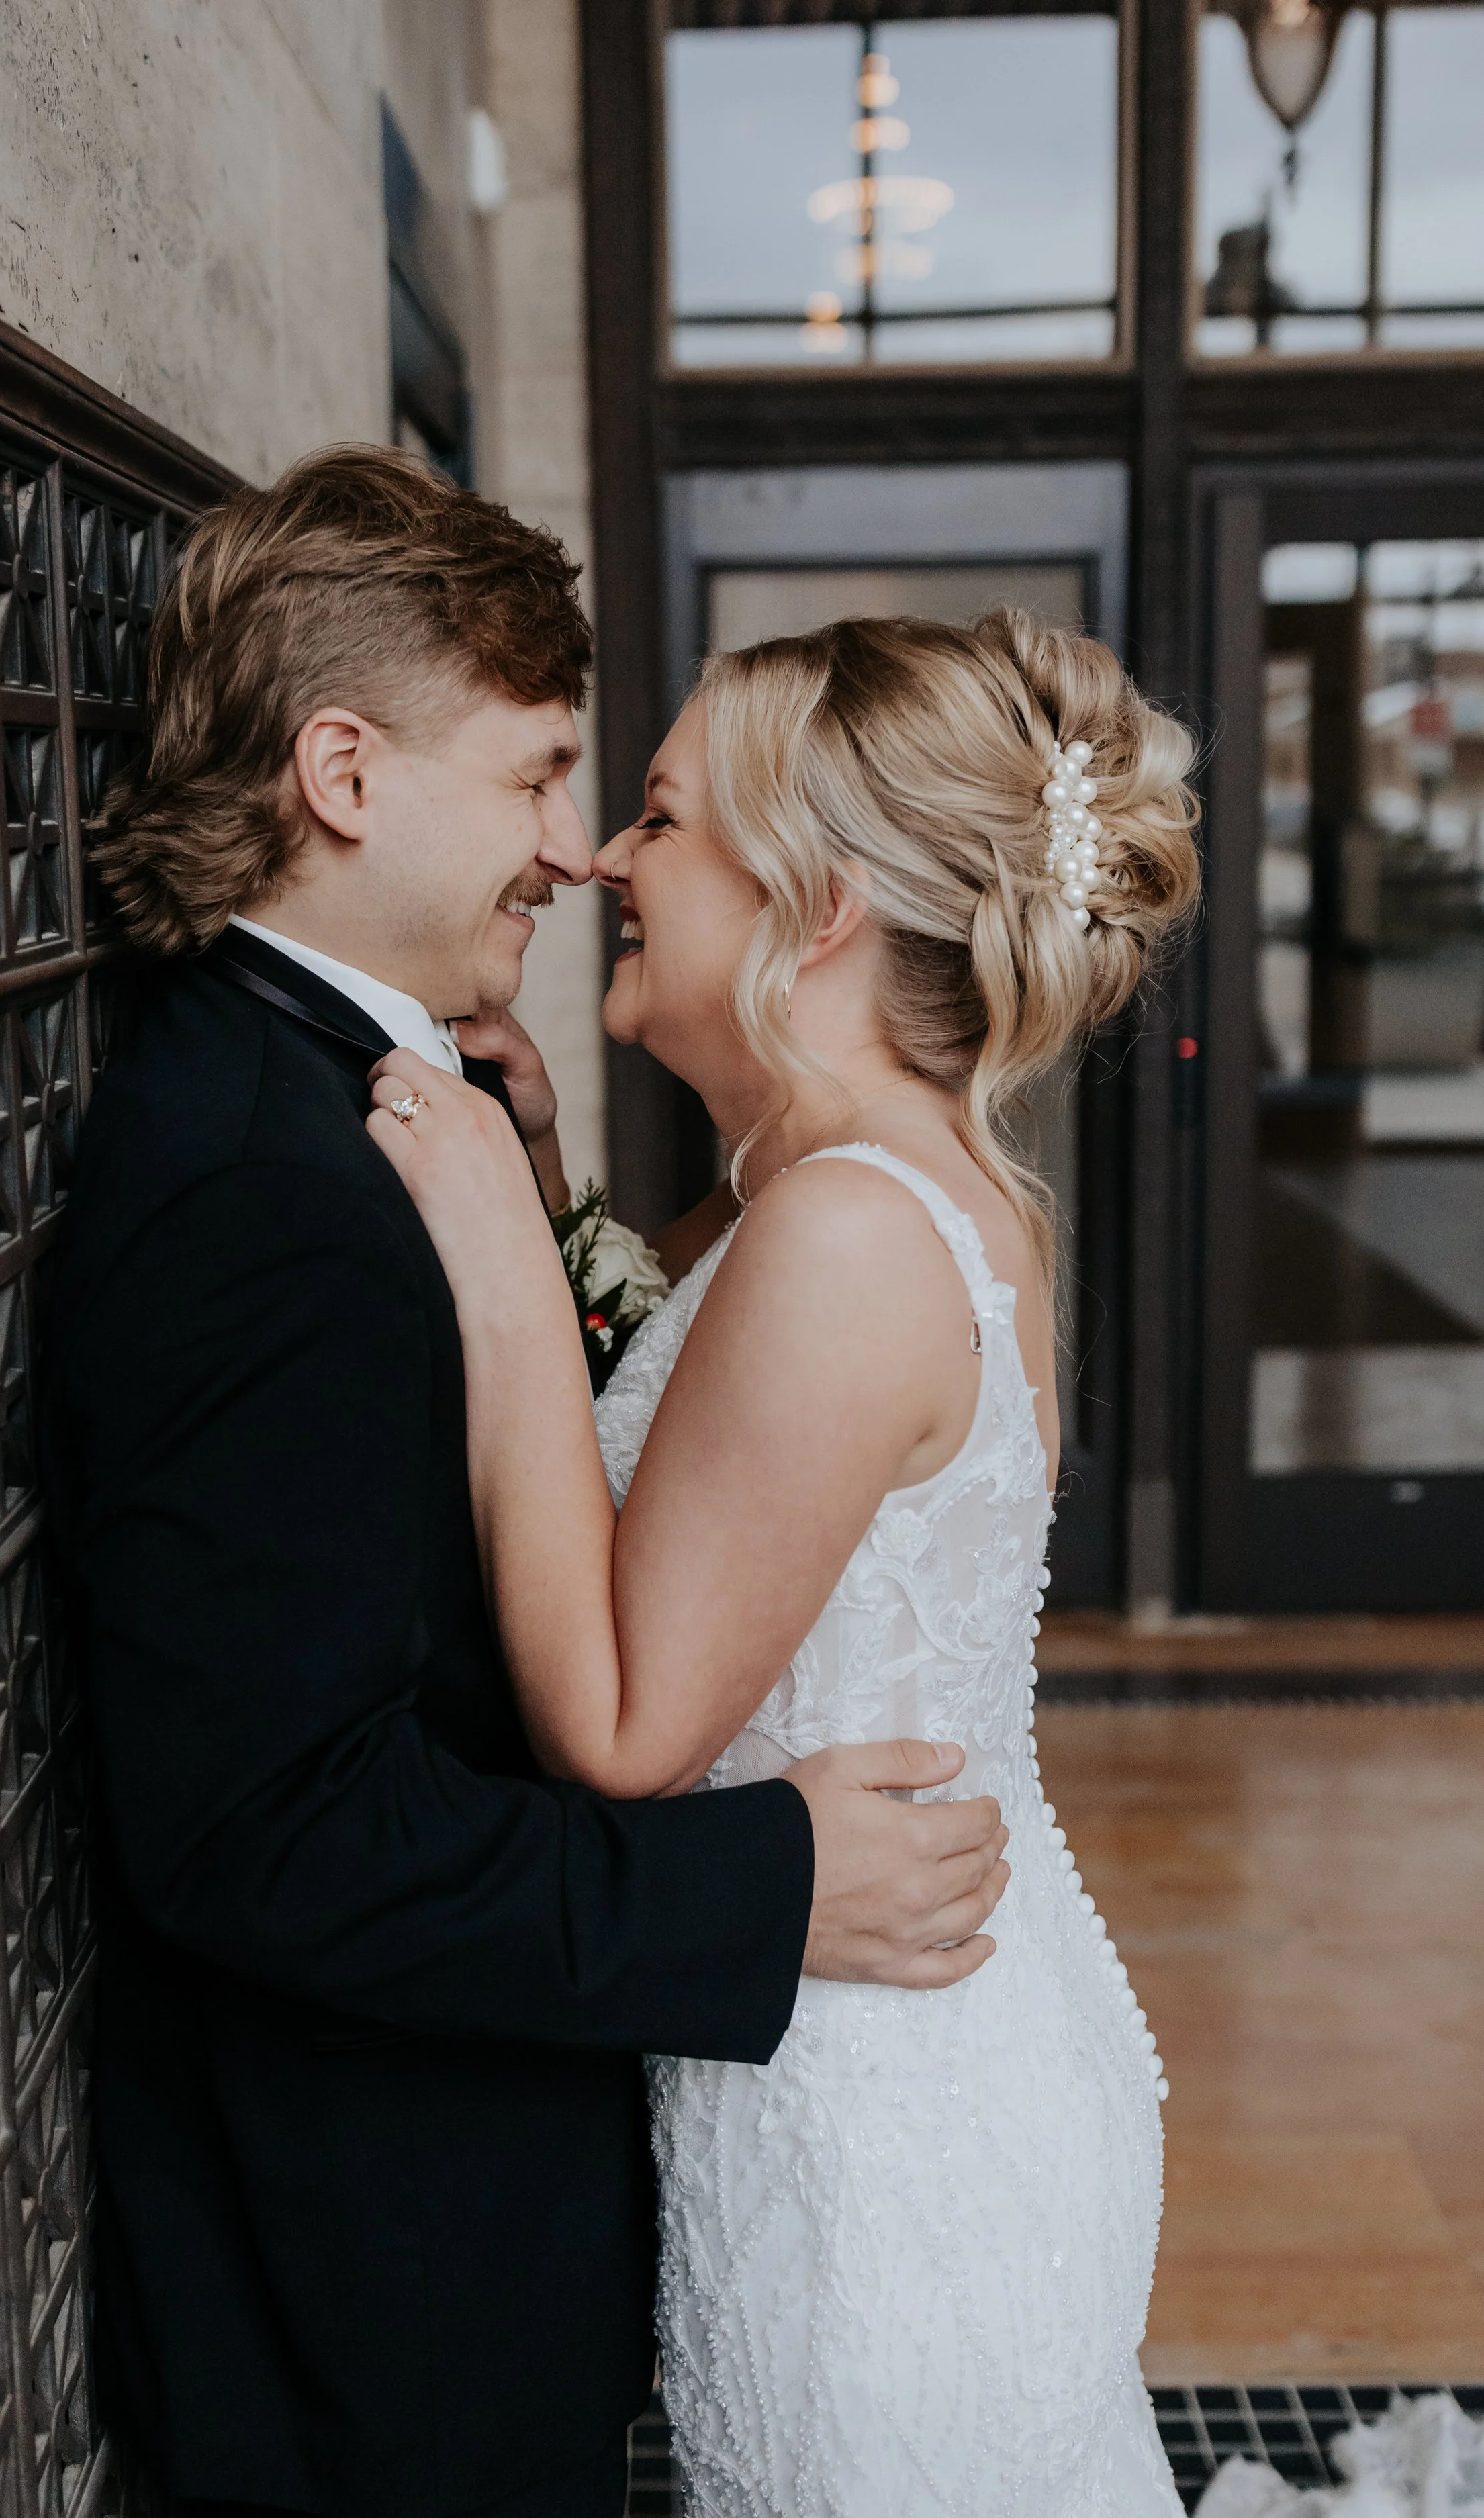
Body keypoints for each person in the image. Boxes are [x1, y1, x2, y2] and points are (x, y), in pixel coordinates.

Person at [38, 447, 1009, 2518]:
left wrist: (544, 1224)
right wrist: (754, 1887)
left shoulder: (375, 1105)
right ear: (345, 772)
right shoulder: (255, 1181)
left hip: (454, 2219)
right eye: (540, 773)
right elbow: (266, 1833)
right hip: (360, 2294)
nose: (568, 853)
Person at [365, 609, 1201, 2517]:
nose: (598, 859)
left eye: (657, 816)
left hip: (878, 2134)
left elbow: (626, 1725)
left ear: (814, 906)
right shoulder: (887, 1185)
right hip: (919, 2030)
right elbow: (699, 1449)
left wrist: (500, 1262)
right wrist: (561, 1197)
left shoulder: (841, 1231)